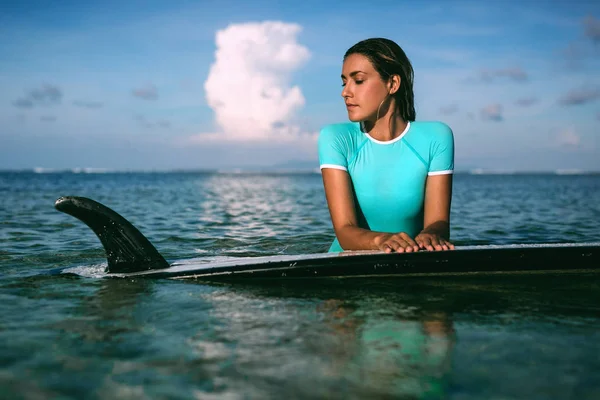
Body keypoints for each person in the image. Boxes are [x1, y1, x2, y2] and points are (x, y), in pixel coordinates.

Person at [318, 38, 455, 254]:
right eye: (345, 82)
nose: (345, 92)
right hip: (345, 267)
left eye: (359, 81)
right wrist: (382, 240)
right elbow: (345, 231)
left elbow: (438, 221)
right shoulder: (335, 138)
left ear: (392, 84)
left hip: (408, 258)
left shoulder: (436, 137)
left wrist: (432, 234)